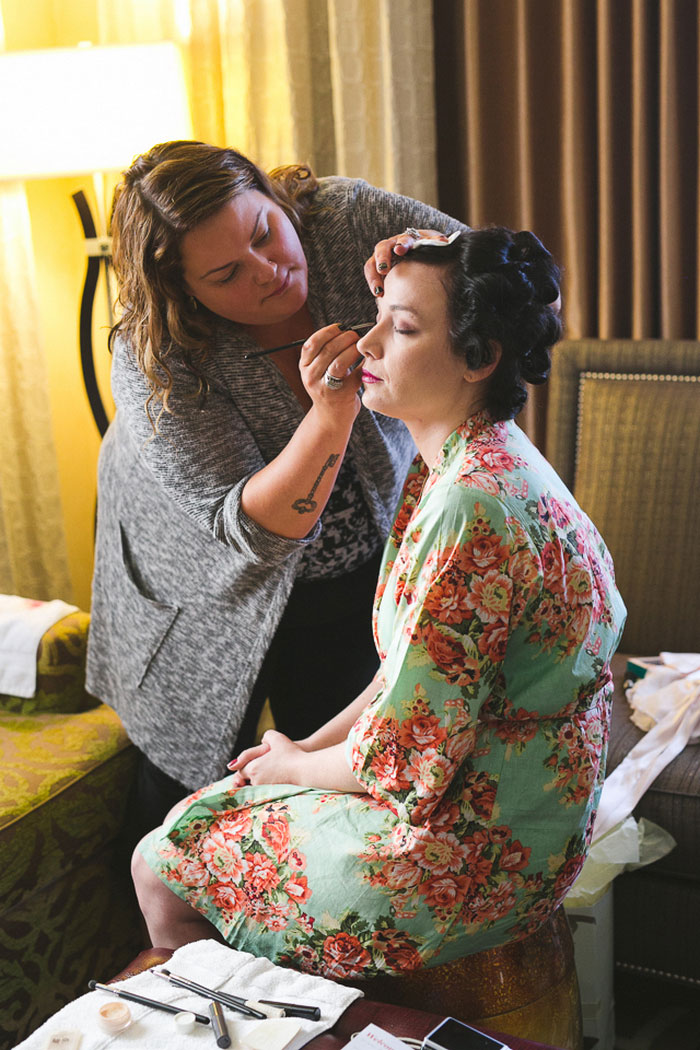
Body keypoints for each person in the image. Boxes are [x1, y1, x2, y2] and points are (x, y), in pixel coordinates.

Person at [131, 227, 627, 976]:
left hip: (473, 853)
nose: (365, 345)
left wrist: (295, 770)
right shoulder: (473, 460)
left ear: (479, 357)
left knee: (161, 855)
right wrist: (296, 752)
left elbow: (406, 752)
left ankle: (255, 1022)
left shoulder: (472, 506)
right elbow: (406, 681)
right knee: (209, 809)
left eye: (400, 328)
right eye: (376, 319)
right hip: (505, 805)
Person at [85, 141, 467, 842]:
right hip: (198, 572)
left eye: (264, 233)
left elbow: (510, 293)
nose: (269, 272)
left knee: (328, 773)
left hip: (352, 551)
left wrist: (434, 261)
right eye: (227, 273)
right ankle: (163, 938)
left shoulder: (345, 219)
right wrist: (329, 415)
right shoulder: (156, 355)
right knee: (184, 783)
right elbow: (256, 532)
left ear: (272, 196)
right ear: (183, 291)